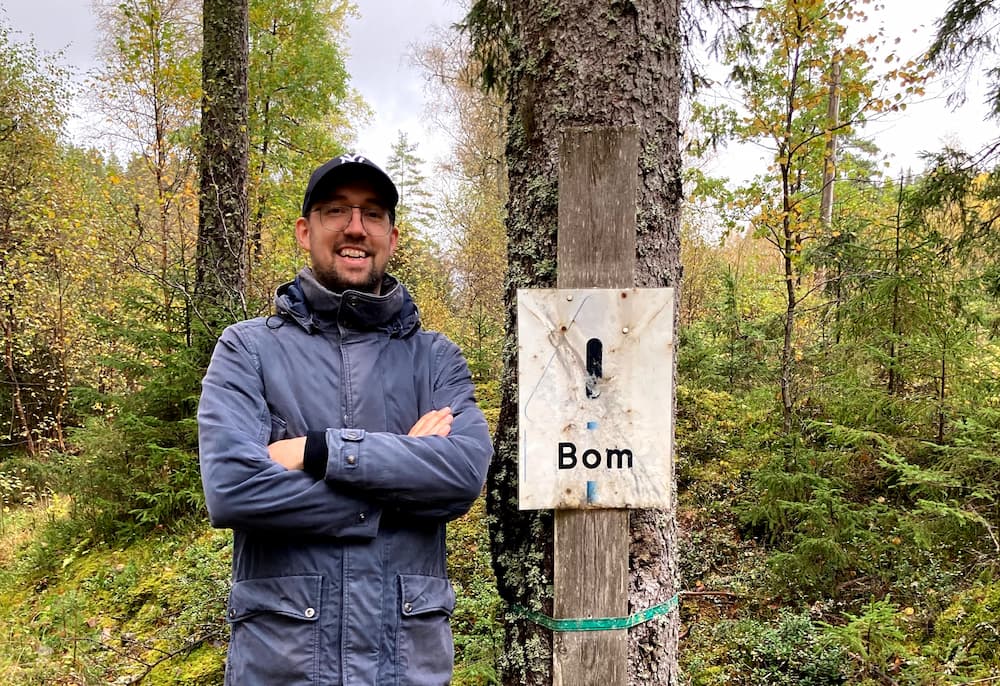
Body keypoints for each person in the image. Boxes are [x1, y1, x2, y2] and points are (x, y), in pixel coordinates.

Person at [197, 153, 493, 686]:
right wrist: (398, 479)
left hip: (405, 667)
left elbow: (462, 474)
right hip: (282, 667)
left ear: (392, 237)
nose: (356, 227)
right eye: (337, 210)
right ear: (304, 231)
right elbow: (233, 488)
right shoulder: (248, 350)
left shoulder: (435, 359)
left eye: (372, 213)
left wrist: (318, 453)